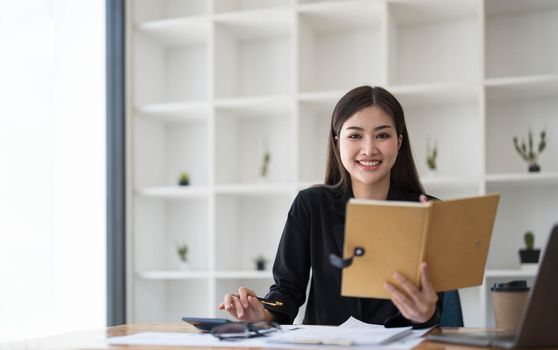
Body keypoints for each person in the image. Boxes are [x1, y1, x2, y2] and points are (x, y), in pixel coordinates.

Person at [218, 86, 443, 328]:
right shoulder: (311, 205)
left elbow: (434, 305)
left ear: (399, 142)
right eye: (355, 135)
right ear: (337, 142)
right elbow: (287, 291)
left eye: (382, 135)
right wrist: (263, 313)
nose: (369, 149)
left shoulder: (428, 212)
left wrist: (424, 314)